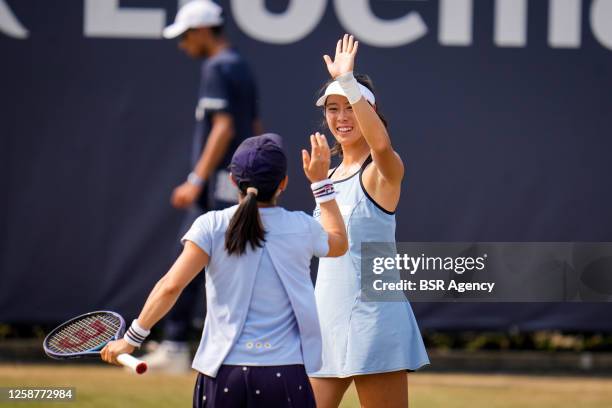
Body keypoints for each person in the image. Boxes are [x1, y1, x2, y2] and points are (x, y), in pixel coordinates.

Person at [101, 133, 348, 408]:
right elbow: (339, 242)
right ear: (284, 183)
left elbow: (171, 286)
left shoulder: (210, 225)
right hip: (286, 373)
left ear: (232, 181)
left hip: (222, 375)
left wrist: (132, 338)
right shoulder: (302, 227)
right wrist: (321, 183)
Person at [308, 35, 430, 408]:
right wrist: (318, 185)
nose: (341, 118)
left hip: (374, 322)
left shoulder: (383, 169)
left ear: (370, 113)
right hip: (326, 320)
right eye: (333, 109)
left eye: (350, 108)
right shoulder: (325, 174)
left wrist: (346, 80)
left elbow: (380, 147)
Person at [146, 0, 262, 372]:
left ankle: (177, 345)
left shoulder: (217, 67)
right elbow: (255, 129)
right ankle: (200, 344)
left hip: (215, 187)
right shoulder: (240, 66)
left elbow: (225, 127)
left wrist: (196, 180)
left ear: (200, 31)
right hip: (235, 185)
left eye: (184, 36)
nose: (182, 45)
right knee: (230, 263)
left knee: (192, 261)